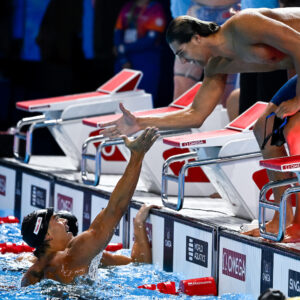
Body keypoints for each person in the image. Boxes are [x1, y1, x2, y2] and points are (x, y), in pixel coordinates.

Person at [100, 8, 300, 242]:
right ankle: (284, 217)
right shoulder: (217, 65)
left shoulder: (244, 25)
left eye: (182, 52)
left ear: (196, 37)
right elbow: (196, 114)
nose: (184, 61)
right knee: (265, 130)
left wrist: (298, 99)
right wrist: (139, 122)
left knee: (292, 130)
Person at [20, 127, 159, 286]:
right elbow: (115, 208)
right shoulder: (77, 252)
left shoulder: (28, 277)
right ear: (47, 236)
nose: (65, 221)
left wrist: (138, 224)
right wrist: (137, 155)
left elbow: (137, 264)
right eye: (56, 219)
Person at [114, 0, 166, 106]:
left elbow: (150, 40)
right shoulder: (128, 6)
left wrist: (123, 48)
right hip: (125, 58)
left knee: (145, 96)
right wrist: (123, 57)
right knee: (121, 98)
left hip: (146, 59)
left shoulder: (155, 8)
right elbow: (118, 31)